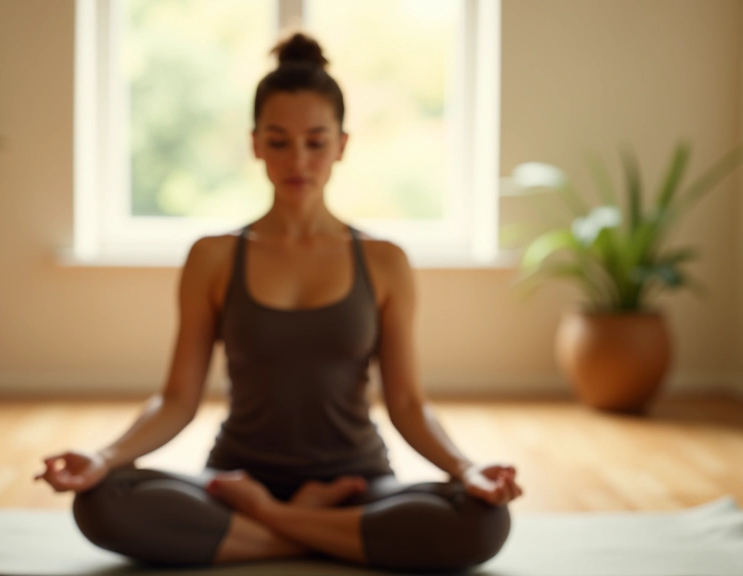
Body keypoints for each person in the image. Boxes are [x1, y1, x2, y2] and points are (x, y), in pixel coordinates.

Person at [35, 32, 522, 572]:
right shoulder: (214, 257)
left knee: (482, 520)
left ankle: (268, 525)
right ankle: (324, 536)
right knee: (102, 501)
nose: (298, 160)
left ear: (342, 144)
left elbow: (407, 404)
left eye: (316, 141)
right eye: (279, 140)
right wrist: (102, 459)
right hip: (236, 479)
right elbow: (177, 398)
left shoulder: (384, 260)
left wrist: (467, 468)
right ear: (255, 144)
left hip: (355, 482)